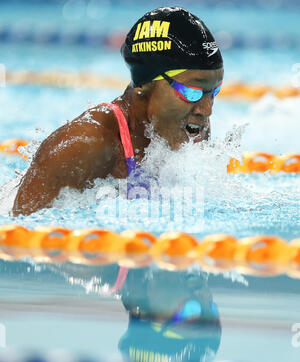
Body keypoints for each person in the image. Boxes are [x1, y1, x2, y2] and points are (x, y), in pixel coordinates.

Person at [12, 6, 224, 216]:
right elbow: (18, 236)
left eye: (214, 92)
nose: (206, 110)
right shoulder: (84, 145)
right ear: (145, 83)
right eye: (192, 92)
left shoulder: (192, 130)